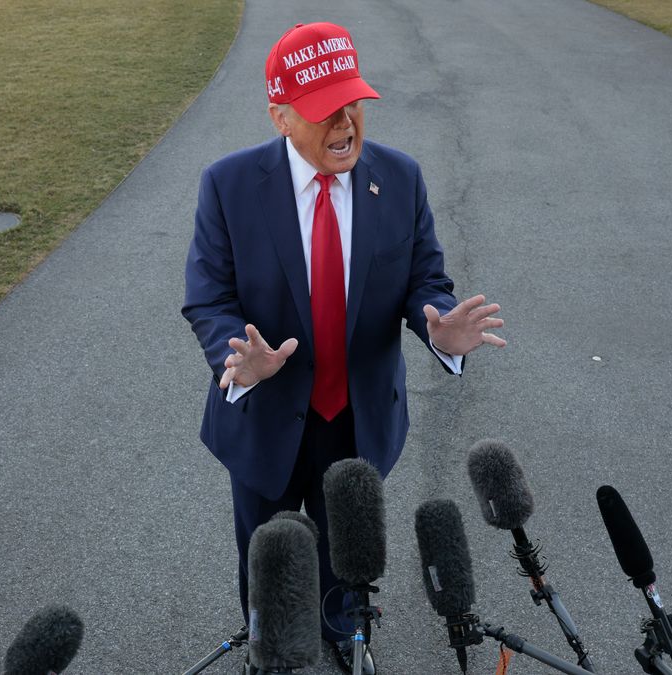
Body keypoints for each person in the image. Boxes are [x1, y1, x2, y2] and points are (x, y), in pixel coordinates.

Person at [182, 21, 505, 674]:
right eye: (327, 110)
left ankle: (339, 633)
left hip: (355, 418)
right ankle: (269, 646)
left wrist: (437, 324)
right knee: (270, 556)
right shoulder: (228, 186)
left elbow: (424, 280)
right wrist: (236, 358)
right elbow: (208, 296)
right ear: (281, 116)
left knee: (342, 557)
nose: (347, 122)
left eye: (354, 103)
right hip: (264, 414)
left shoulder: (402, 180)